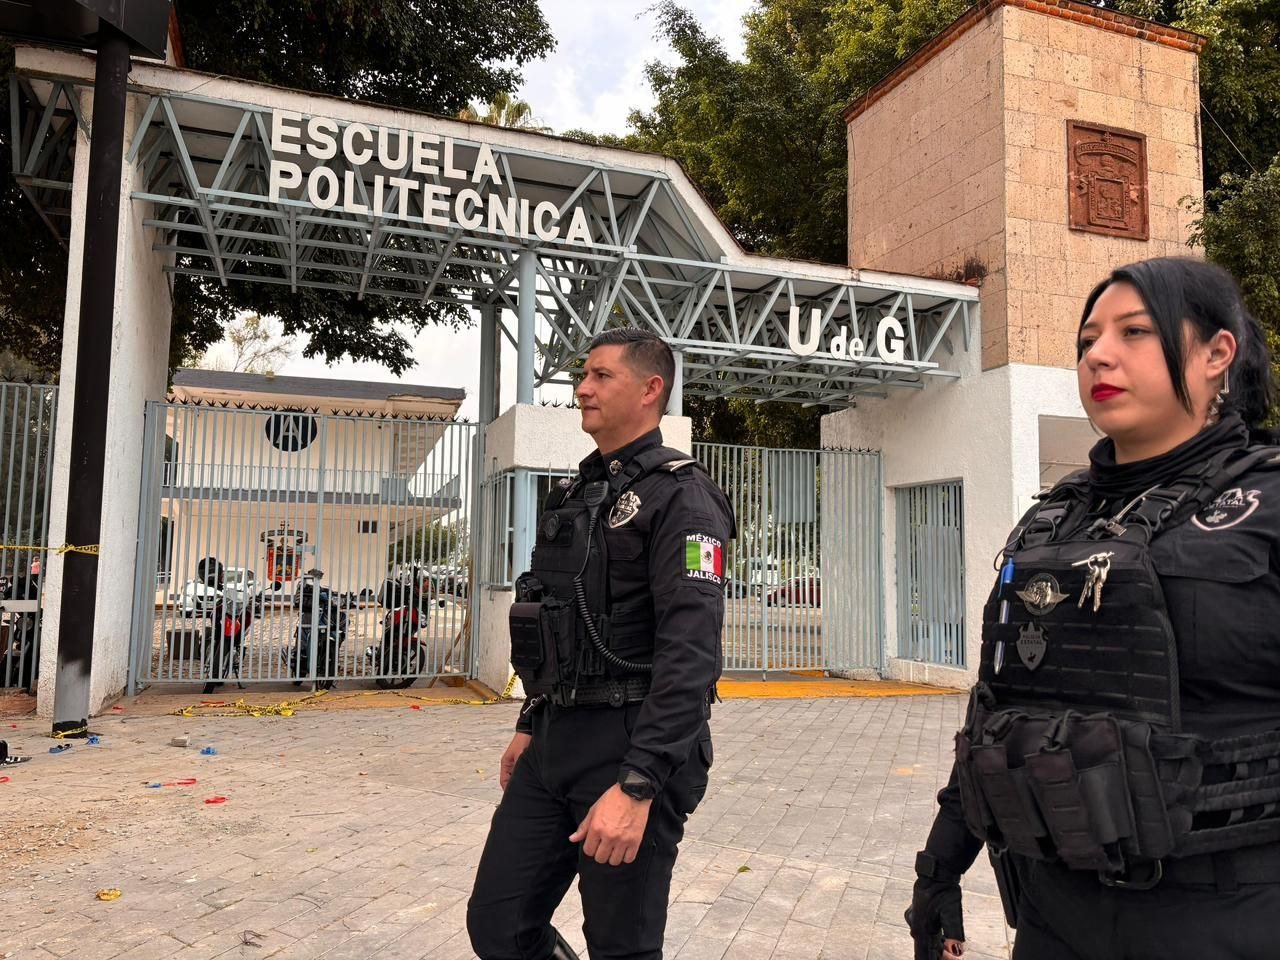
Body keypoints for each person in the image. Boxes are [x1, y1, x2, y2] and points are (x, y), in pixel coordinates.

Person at [906, 256, 1280, 959]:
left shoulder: (1267, 505)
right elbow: (995, 715)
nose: (1098, 354)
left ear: (1215, 354)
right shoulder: (1050, 523)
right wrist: (938, 870)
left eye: (1134, 331)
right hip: (1055, 919)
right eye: (1085, 341)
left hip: (1233, 917)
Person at [467, 327, 735, 960]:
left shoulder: (684, 497)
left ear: (650, 390)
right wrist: (532, 721)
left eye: (600, 376)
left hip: (631, 744)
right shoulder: (581, 492)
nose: (582, 388)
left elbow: (691, 654)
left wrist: (639, 784)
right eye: (582, 376)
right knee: (499, 928)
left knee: (621, 947)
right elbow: (558, 618)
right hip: (556, 738)